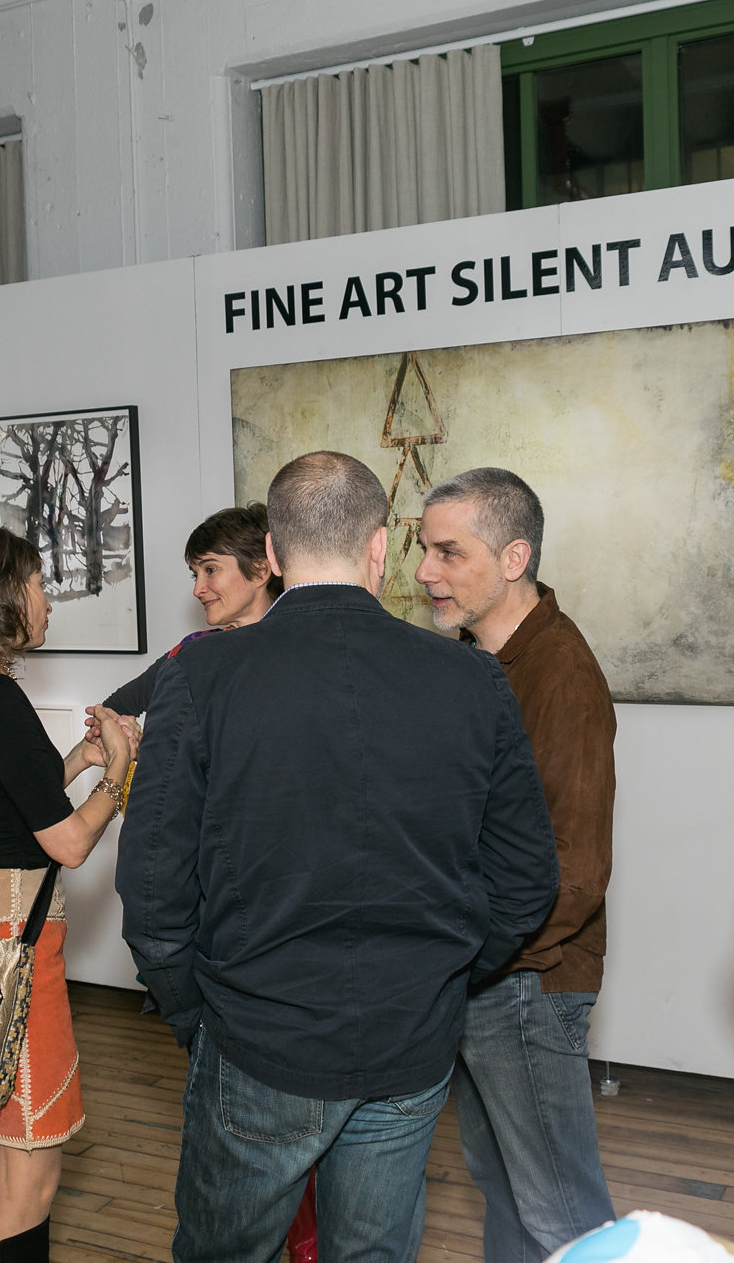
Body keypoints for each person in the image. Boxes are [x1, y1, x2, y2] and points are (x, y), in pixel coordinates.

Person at [119, 450, 560, 1263]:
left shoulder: (202, 676)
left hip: (259, 1030)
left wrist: (194, 1010)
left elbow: (152, 887)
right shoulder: (472, 678)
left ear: (276, 555)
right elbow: (527, 877)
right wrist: (445, 970)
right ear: (379, 547)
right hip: (407, 1036)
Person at [0, 525, 138, 1263]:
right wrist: (118, 776)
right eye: (38, 583)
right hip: (15, 948)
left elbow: (3, 800)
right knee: (30, 1173)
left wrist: (75, 759)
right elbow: (68, 842)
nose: (47, 600)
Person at [416, 467, 618, 1260]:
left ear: (513, 557)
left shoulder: (560, 673)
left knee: (565, 1214)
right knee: (504, 1192)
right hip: (484, 973)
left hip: (525, 979)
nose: (425, 571)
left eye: (447, 551)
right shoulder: (477, 662)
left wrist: (482, 954)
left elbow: (576, 869)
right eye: (423, 550)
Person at [99, 503, 282, 718]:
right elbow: (112, 710)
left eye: (211, 569)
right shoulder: (193, 651)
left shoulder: (297, 651)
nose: (197, 590)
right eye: (196, 575)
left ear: (260, 570)